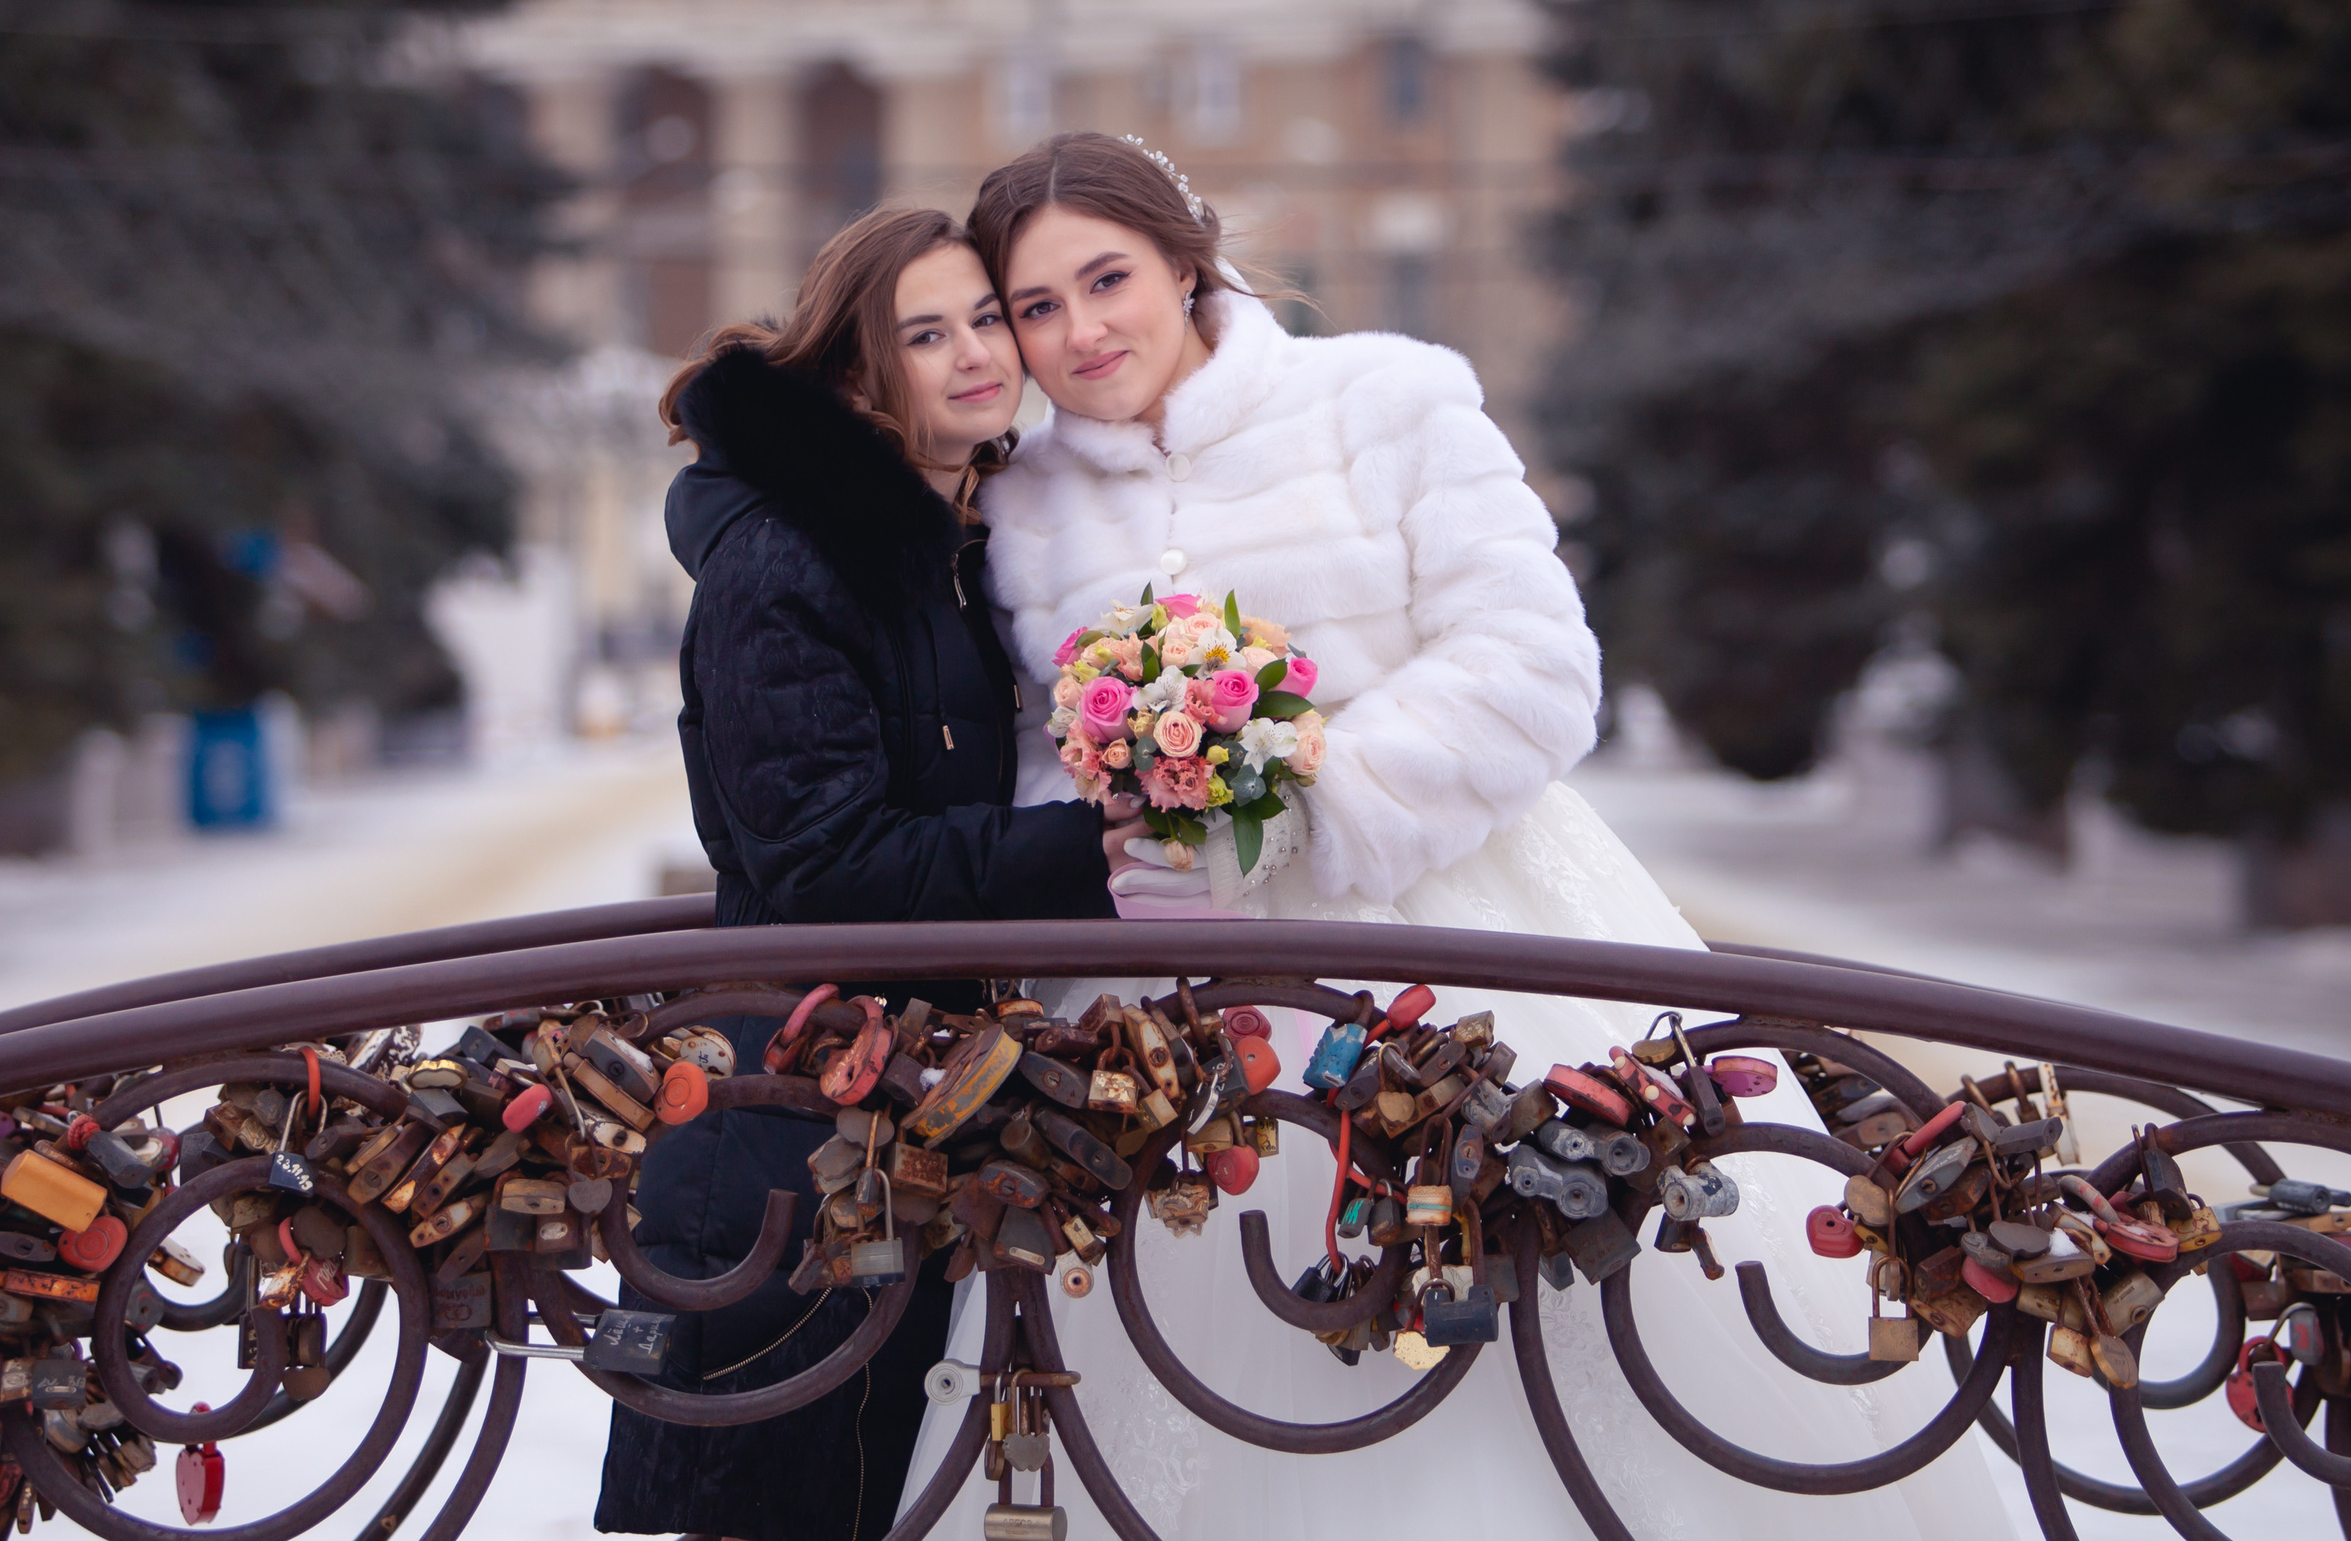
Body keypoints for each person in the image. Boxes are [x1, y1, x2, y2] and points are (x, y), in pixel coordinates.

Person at [891, 133, 2011, 1539]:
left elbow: (1537, 665)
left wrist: (1311, 808)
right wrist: (1127, 830)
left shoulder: (1388, 401)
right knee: (1191, 1347)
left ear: (1186, 258)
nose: (1080, 331)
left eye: (1106, 278)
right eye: (1037, 306)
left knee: (1562, 1302)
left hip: (1475, 934)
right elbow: (1038, 745)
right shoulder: (1023, 502)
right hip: (1172, 1001)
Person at [598, 206, 1118, 1541]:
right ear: (852, 375)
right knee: (798, 1506)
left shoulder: (943, 550)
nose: (973, 356)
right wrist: (1094, 851)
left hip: (892, 1127)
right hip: (787, 1145)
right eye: (923, 334)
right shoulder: (789, 561)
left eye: (988, 319)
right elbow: (825, 863)